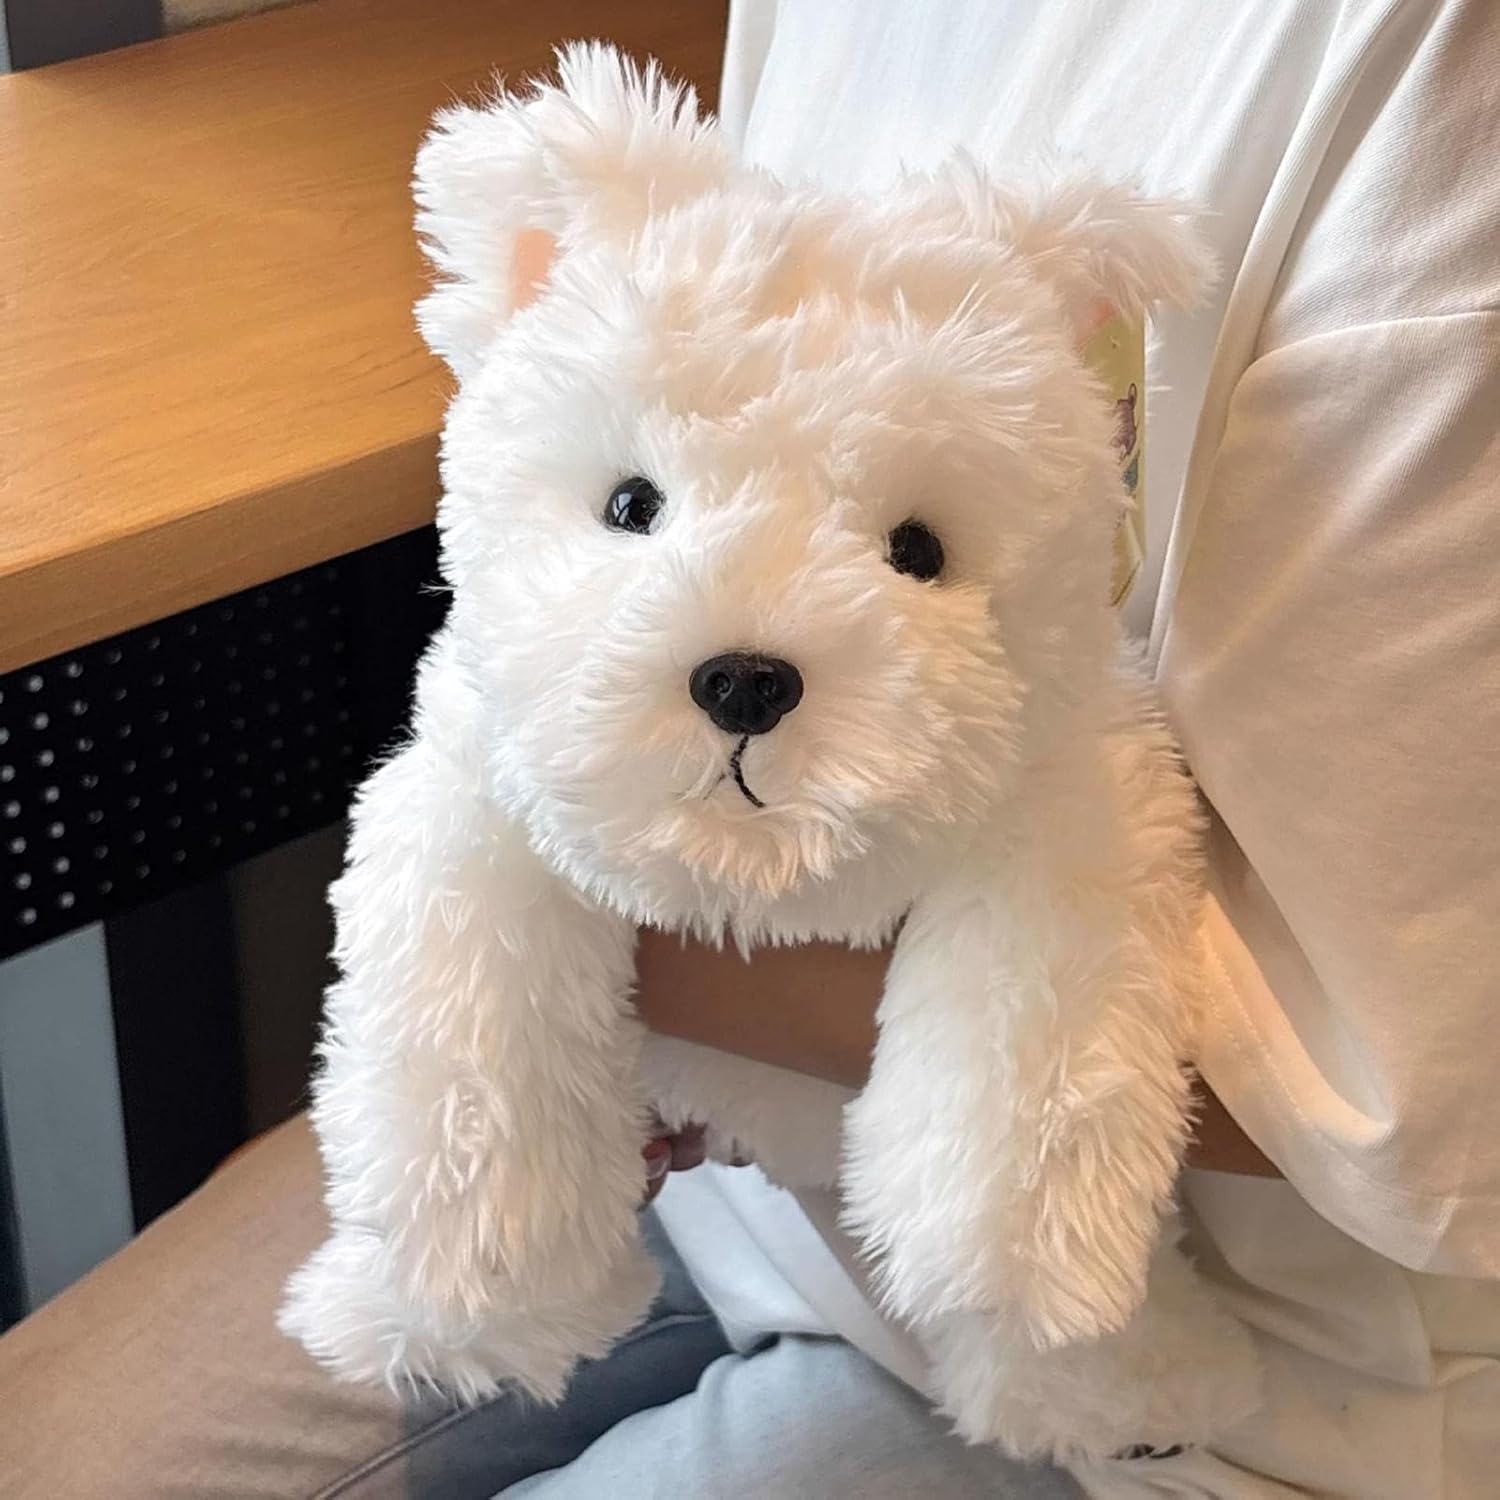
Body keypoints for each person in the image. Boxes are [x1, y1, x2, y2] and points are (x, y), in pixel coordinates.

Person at [3, 1, 1496, 1494]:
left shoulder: (1433, 89)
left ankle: (1051, 1335)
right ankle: (488, 1270)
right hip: (696, 1152)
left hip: (1266, 1385)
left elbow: (1428, 1109)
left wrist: (586, 899)